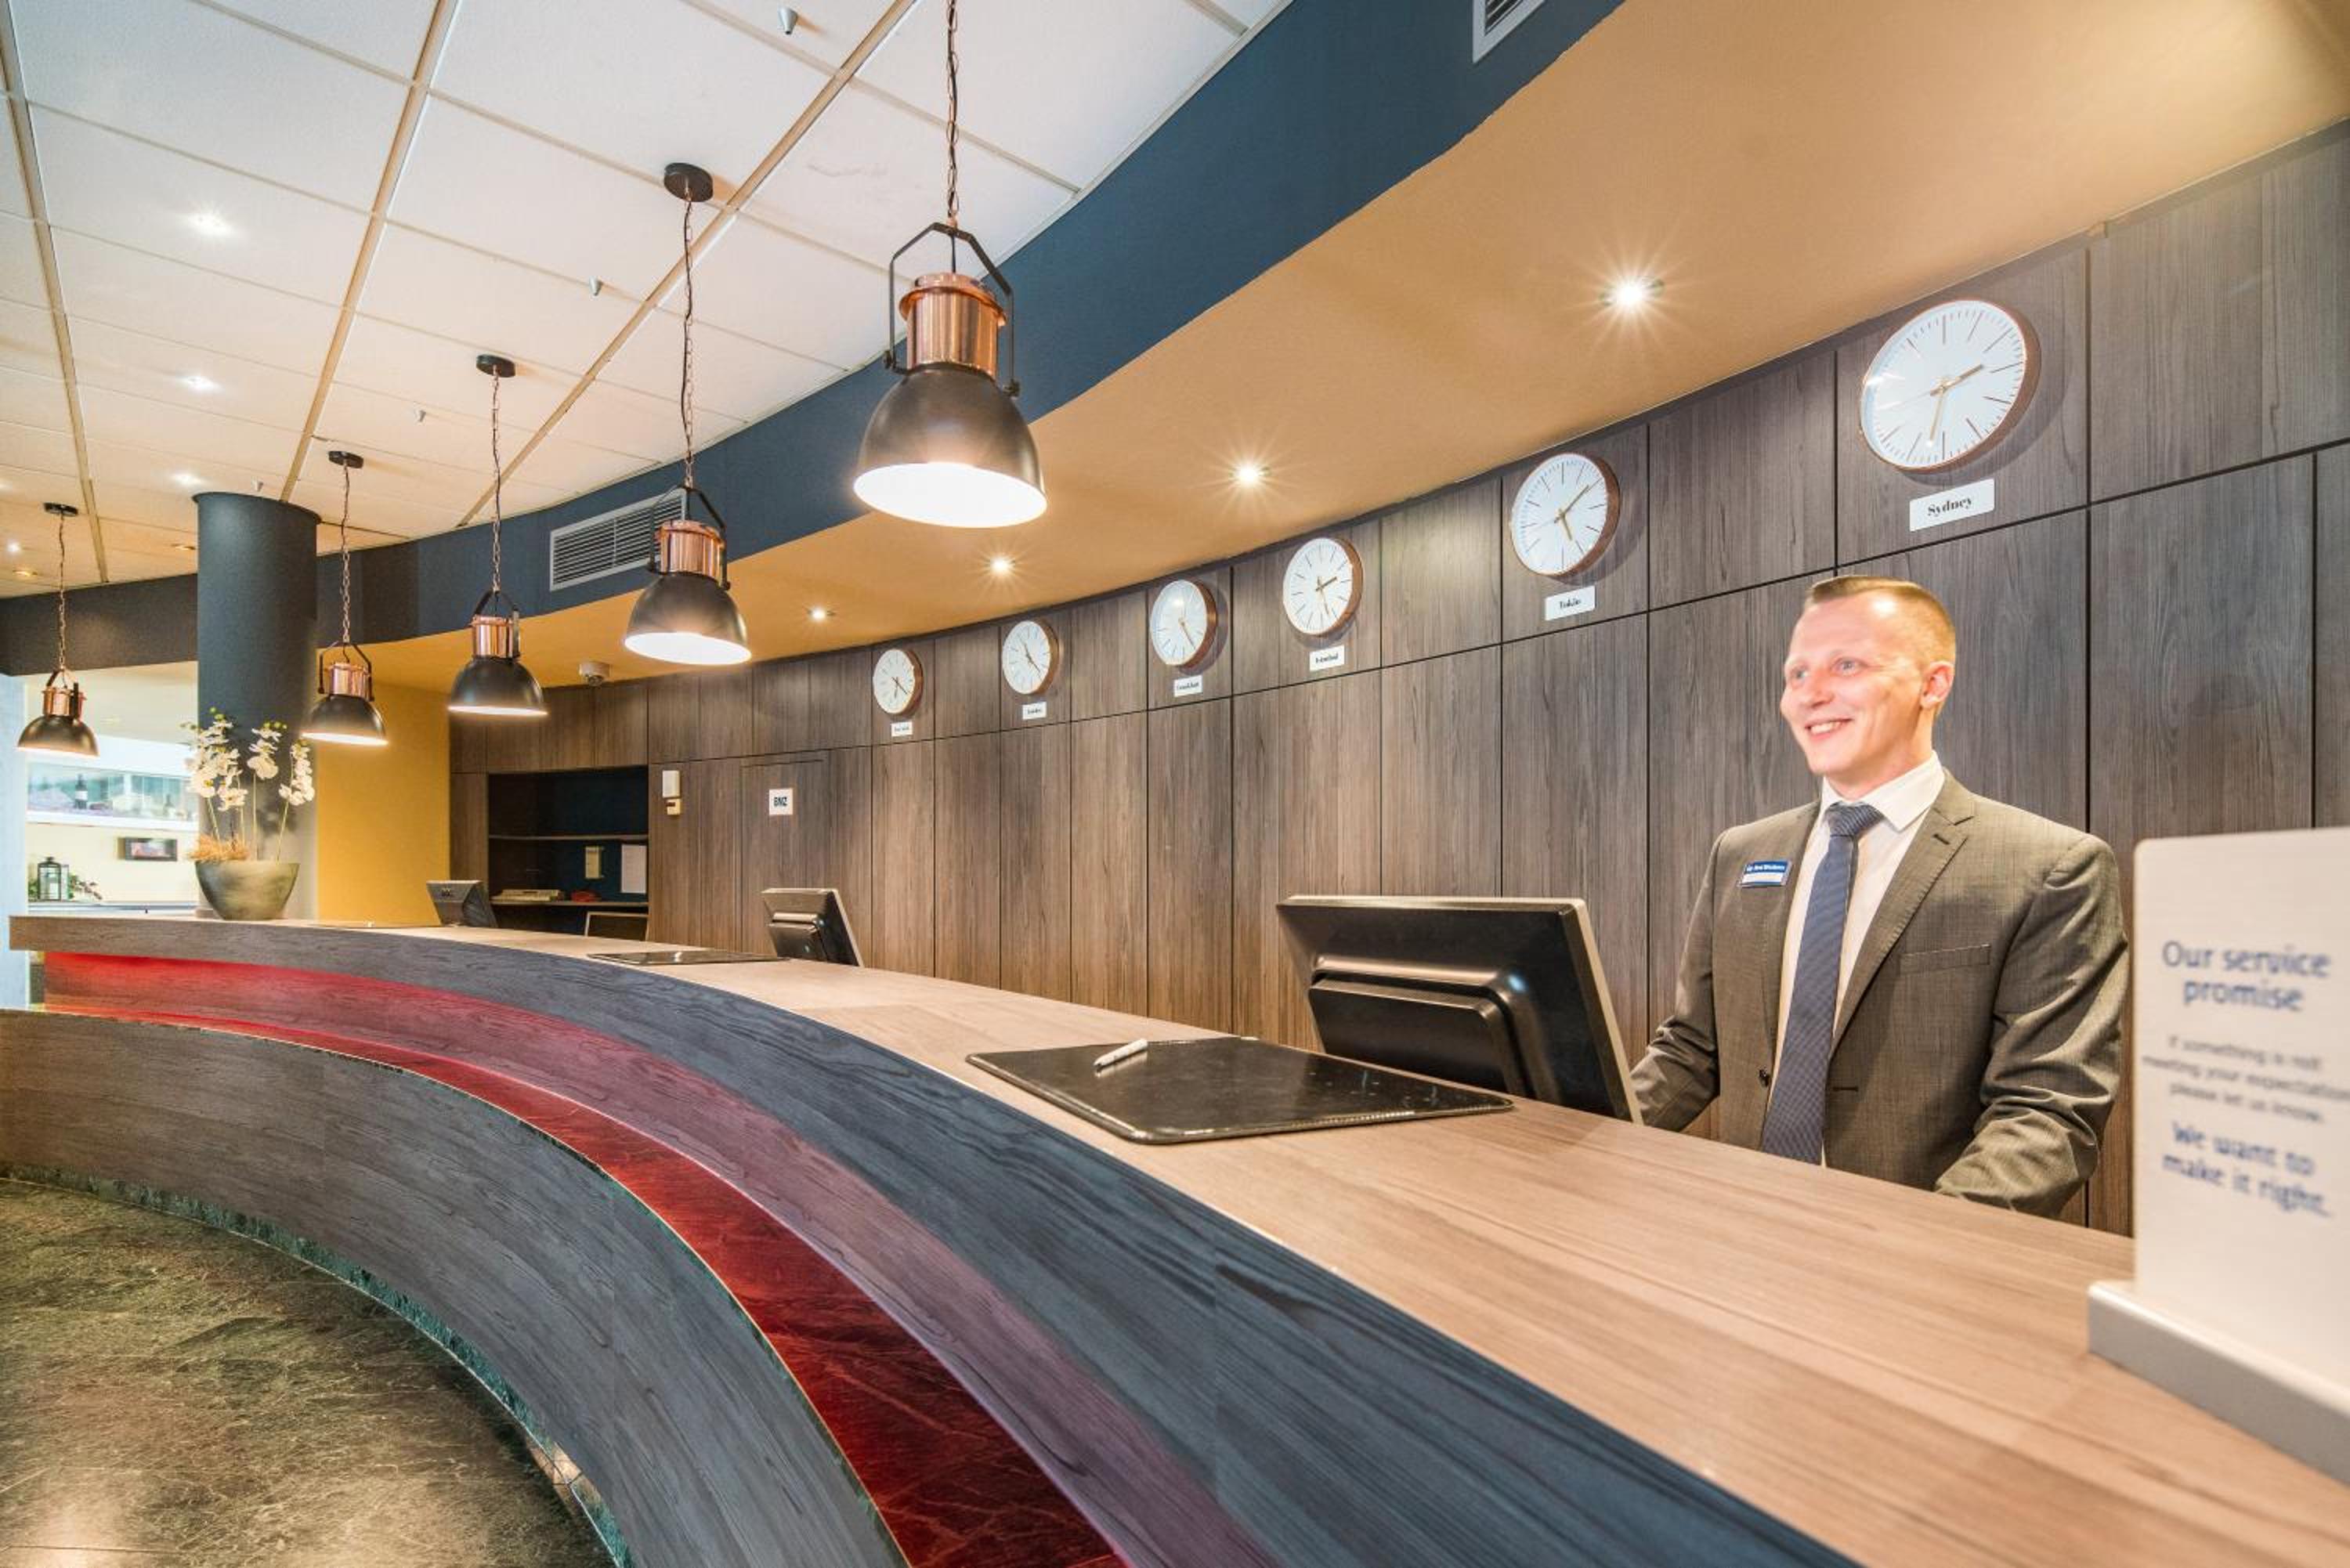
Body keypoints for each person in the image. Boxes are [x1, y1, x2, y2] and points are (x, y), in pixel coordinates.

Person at [1631, 575, 2124, 1216]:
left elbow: (2047, 1112)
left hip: (1916, 1246)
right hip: (1747, 1224)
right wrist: (1575, 1143)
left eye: (1847, 665)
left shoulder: (2051, 867)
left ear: (1933, 684)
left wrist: (1918, 1245)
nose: (1811, 694)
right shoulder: (1741, 852)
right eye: (1797, 673)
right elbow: (1692, 1049)